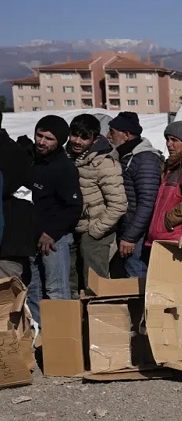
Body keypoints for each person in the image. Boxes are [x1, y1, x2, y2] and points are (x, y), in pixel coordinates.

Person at [28, 116, 83, 324]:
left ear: (59, 141)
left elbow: (74, 206)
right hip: (32, 238)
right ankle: (42, 339)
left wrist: (50, 232)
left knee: (57, 290)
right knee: (35, 289)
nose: (42, 142)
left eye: (49, 138)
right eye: (39, 135)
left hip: (54, 240)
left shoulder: (64, 168)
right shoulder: (33, 161)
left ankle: (64, 340)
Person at [67, 114, 127, 294]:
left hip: (94, 232)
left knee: (95, 286)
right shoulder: (69, 157)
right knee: (72, 283)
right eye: (74, 135)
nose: (77, 141)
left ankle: (99, 320)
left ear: (94, 139)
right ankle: (74, 321)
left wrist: (95, 231)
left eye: (84, 137)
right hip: (73, 229)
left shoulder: (104, 163)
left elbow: (119, 204)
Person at [108, 112, 163, 278]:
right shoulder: (126, 156)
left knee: (137, 279)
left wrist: (130, 237)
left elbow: (147, 202)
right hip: (129, 229)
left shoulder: (144, 159)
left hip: (139, 233)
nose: (109, 135)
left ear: (126, 135)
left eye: (112, 131)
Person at [0, 113, 36, 279]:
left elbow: (21, 192)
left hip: (9, 244)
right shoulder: (15, 151)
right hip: (11, 242)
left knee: (8, 299)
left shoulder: (12, 153)